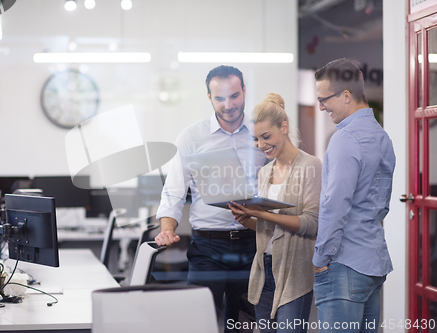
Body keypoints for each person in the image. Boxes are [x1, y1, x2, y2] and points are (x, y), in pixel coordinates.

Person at [155, 65, 266, 332]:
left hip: (252, 246)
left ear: (244, 92)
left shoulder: (262, 134)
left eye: (234, 96)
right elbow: (174, 190)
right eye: (219, 98)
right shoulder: (192, 137)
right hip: (207, 248)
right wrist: (166, 230)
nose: (228, 105)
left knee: (243, 324)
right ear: (209, 97)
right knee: (200, 323)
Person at [313, 58, 395, 333]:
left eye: (324, 99)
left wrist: (319, 260)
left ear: (346, 96)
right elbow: (380, 205)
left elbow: (335, 206)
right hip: (373, 261)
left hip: (345, 264)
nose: (321, 107)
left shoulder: (345, 139)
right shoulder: (382, 136)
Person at [228, 93, 321, 333]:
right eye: (256, 139)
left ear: (284, 127)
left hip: (293, 272)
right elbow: (267, 230)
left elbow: (312, 224)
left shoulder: (310, 166)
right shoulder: (264, 172)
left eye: (266, 137)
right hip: (263, 270)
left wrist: (262, 214)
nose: (261, 145)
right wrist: (247, 218)